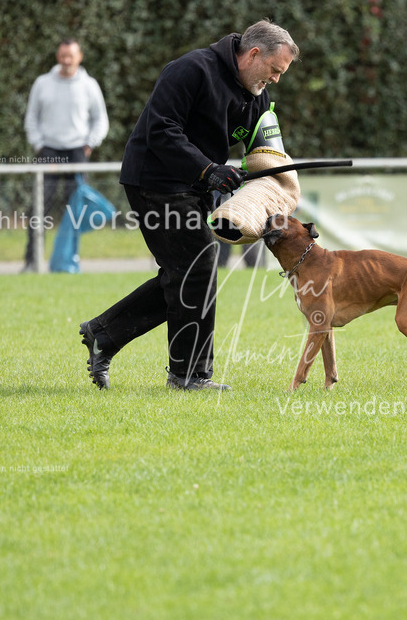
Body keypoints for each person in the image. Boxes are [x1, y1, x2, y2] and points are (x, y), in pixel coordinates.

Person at [79, 20, 298, 391]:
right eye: (274, 70)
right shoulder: (191, 70)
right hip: (155, 179)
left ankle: (104, 333)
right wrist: (209, 170)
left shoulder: (257, 95)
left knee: (184, 275)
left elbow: (261, 152)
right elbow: (161, 130)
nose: (276, 80)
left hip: (194, 187)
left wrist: (271, 181)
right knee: (197, 266)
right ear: (253, 54)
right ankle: (188, 375)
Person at [22, 38, 109, 272]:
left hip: (77, 152)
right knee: (39, 208)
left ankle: (70, 260)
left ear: (79, 57)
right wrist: (39, 144)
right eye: (63, 56)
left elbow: (100, 119)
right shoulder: (42, 83)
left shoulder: (89, 85)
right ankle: (32, 261)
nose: (66, 60)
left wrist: (89, 144)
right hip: (48, 151)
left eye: (71, 56)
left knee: (76, 211)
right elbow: (31, 118)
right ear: (57, 56)